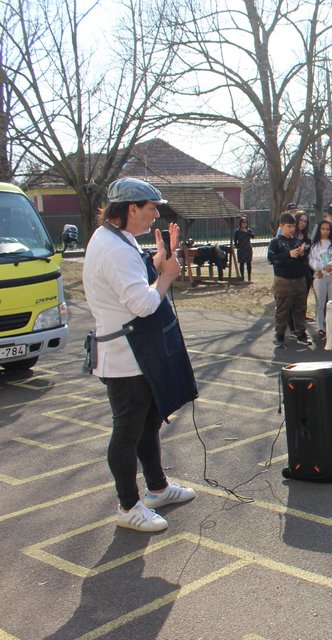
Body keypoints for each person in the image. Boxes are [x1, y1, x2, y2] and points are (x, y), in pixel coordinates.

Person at [82, 177, 197, 533]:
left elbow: (132, 283)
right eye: (151, 208)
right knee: (128, 430)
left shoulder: (118, 238)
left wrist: (156, 262)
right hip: (124, 357)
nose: (156, 215)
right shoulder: (113, 247)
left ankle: (158, 488)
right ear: (131, 208)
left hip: (135, 353)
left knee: (148, 423)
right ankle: (129, 506)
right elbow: (143, 303)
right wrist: (167, 276)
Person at [268, 212, 312, 348]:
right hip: (283, 281)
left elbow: (304, 262)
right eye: (289, 226)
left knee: (300, 308)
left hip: (299, 280)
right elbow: (272, 259)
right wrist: (288, 254)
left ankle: (300, 333)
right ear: (281, 226)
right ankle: (279, 335)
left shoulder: (297, 241)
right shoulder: (275, 242)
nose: (292, 229)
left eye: (293, 226)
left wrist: (302, 254)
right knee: (282, 309)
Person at [308, 220, 332, 339]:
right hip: (319, 277)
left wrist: (325, 270)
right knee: (320, 304)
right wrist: (322, 267)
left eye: (328, 229)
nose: (325, 231)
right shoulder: (314, 246)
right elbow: (312, 261)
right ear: (319, 230)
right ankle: (320, 327)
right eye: (323, 229)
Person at [233, 217, 255, 281]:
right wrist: (237, 246)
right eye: (243, 222)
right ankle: (242, 277)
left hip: (248, 249)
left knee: (248, 263)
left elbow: (253, 236)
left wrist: (247, 232)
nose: (245, 224)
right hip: (241, 249)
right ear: (240, 223)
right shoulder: (237, 231)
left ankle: (249, 277)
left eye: (246, 222)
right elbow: (235, 240)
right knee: (241, 263)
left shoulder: (249, 230)